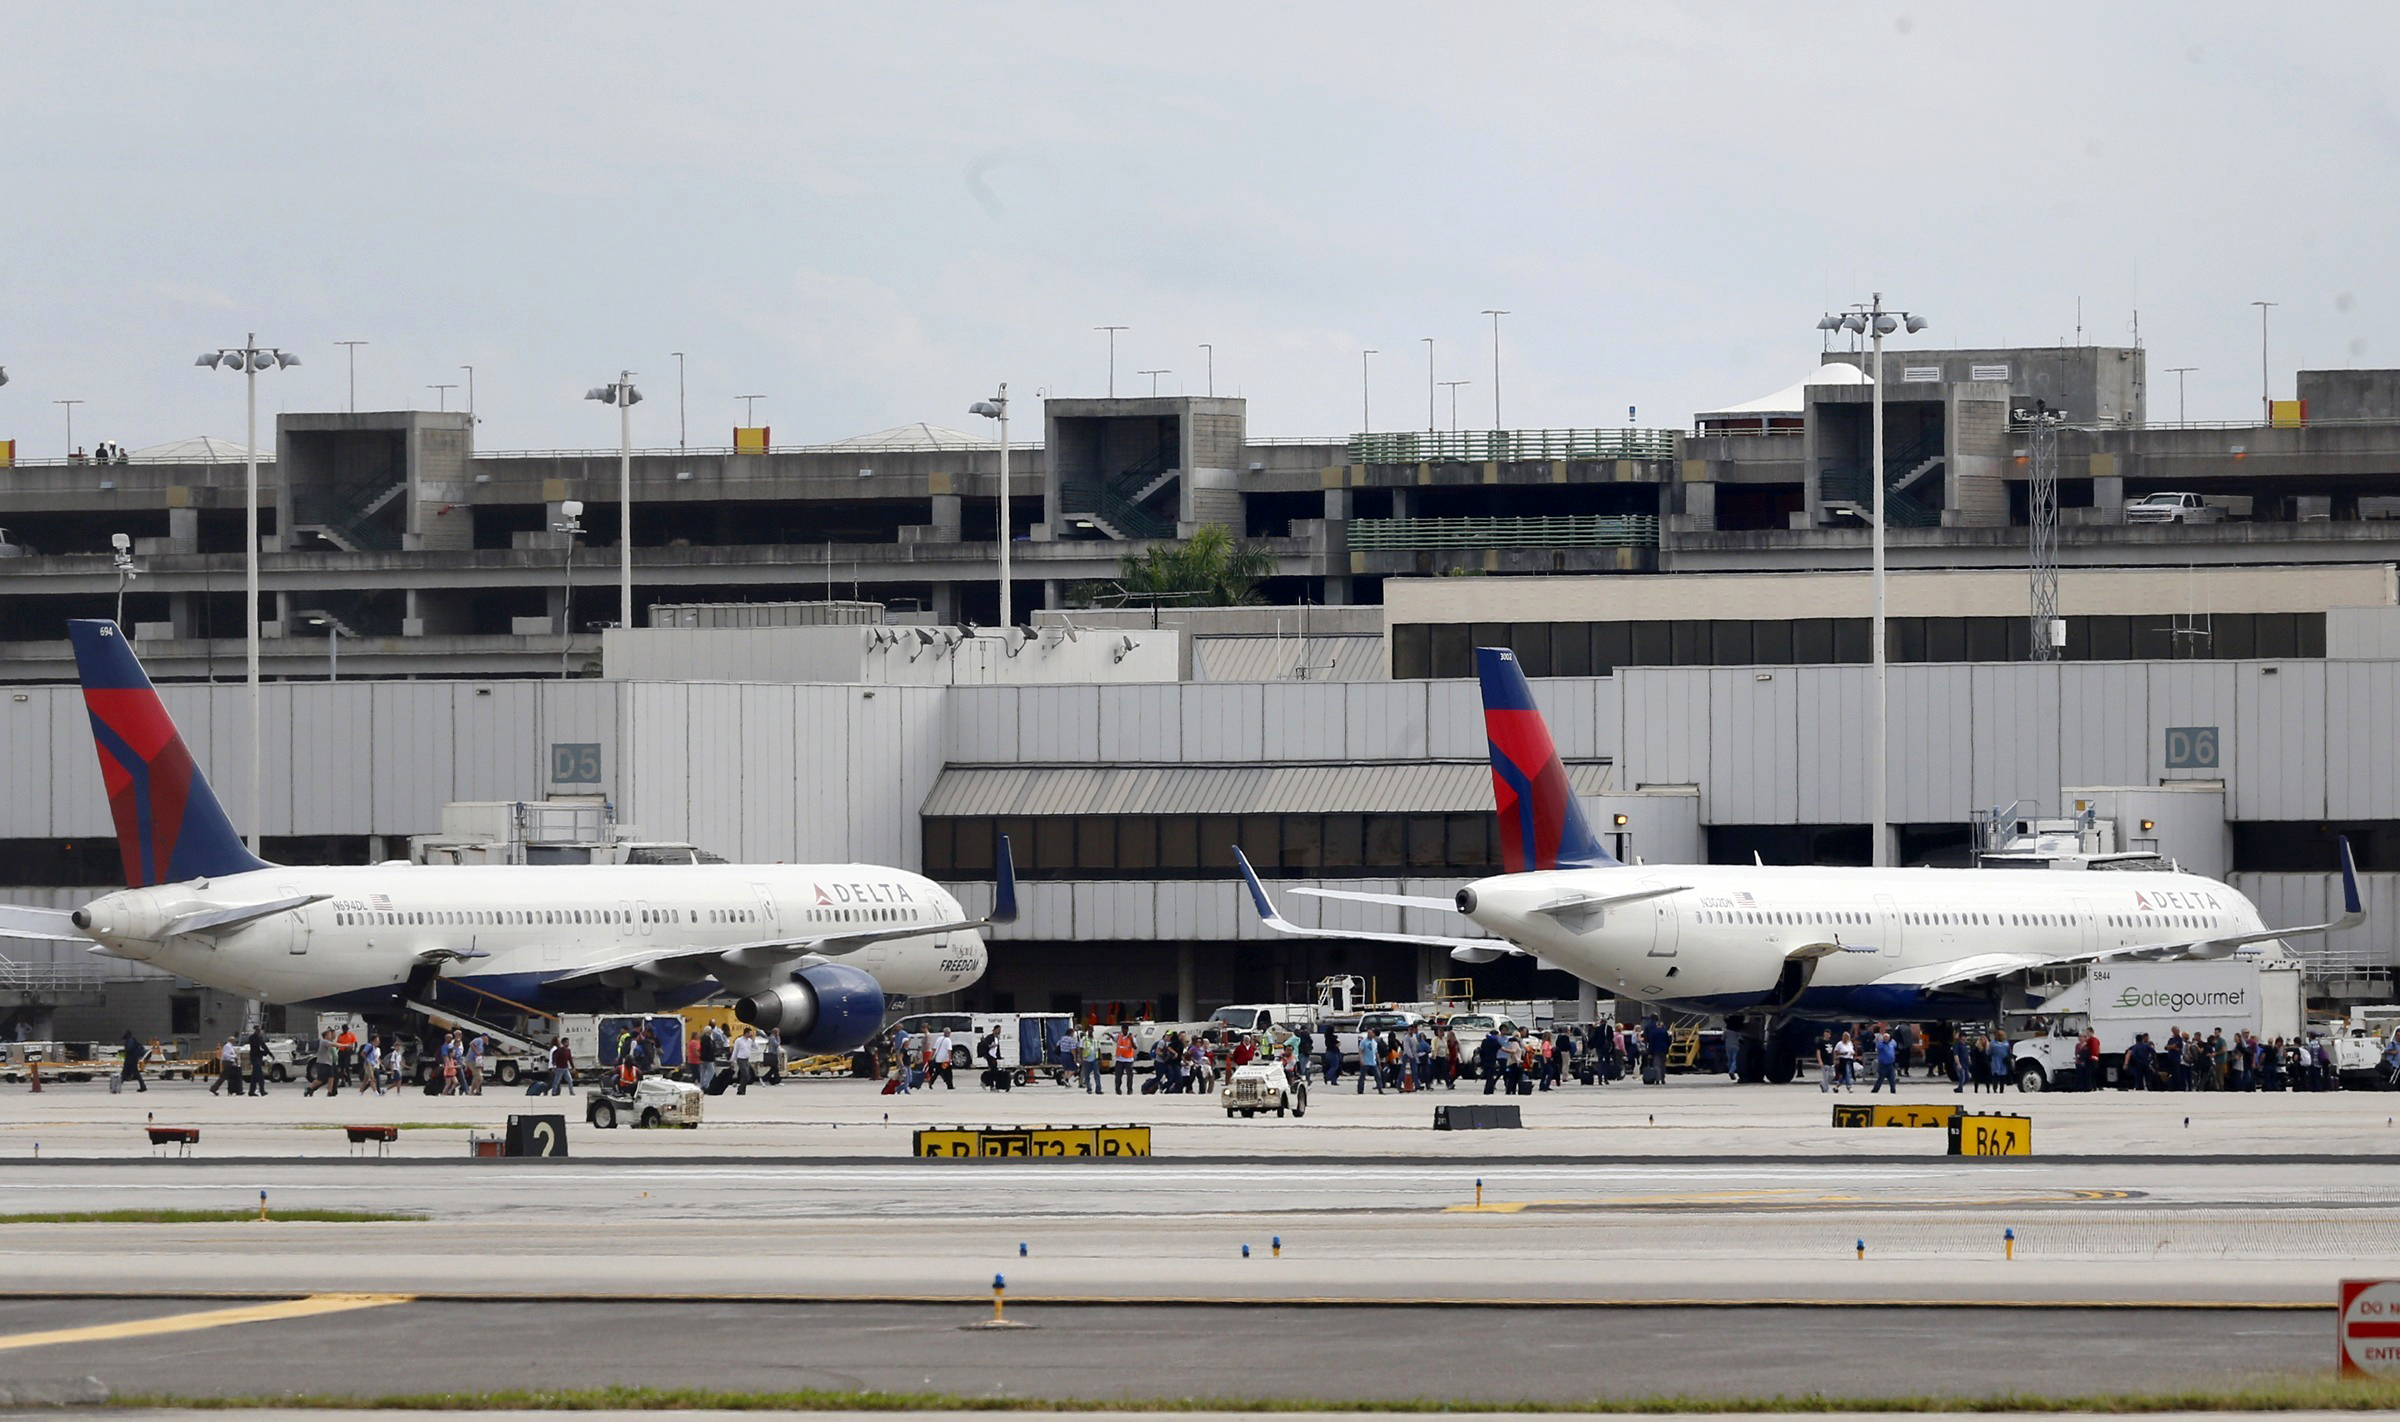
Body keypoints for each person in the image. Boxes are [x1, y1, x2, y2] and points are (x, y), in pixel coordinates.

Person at [1871, 1027, 1899, 1094]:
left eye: (1887, 1038)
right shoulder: (1881, 1044)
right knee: (1881, 1078)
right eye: (1885, 1038)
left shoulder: (1892, 1043)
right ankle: (1875, 1090)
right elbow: (1878, 1047)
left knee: (1892, 1078)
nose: (1886, 1039)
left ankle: (1893, 1090)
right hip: (1883, 1064)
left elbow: (1895, 1047)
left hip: (1890, 1064)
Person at [732, 1027, 758, 1094]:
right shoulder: (739, 1040)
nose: (751, 1035)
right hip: (740, 1059)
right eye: (750, 1033)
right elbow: (735, 1050)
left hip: (746, 1059)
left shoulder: (749, 1041)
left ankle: (743, 1090)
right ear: (746, 1033)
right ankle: (740, 1089)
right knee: (745, 1074)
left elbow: (756, 1048)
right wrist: (733, 1060)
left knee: (747, 1076)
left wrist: (753, 1040)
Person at [247, 1027, 270, 1096]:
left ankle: (251, 1091)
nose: (259, 1032)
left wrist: (269, 1053)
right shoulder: (252, 1038)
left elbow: (264, 1046)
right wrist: (263, 1052)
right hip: (254, 1057)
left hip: (259, 1058)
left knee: (254, 1076)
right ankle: (262, 1091)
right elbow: (255, 1047)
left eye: (259, 1030)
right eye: (257, 1030)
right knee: (260, 1075)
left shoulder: (260, 1037)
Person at [1111, 1027, 1135, 1095]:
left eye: (1125, 1029)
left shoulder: (1131, 1037)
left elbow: (1135, 1047)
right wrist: (1108, 1035)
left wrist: (1131, 1039)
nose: (1124, 1031)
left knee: (1129, 1076)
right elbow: (1114, 1038)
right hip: (1120, 1059)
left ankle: (1129, 1090)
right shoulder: (1119, 1036)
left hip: (1128, 1059)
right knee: (1118, 1076)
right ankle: (1117, 1089)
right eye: (1123, 1029)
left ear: (1127, 1030)